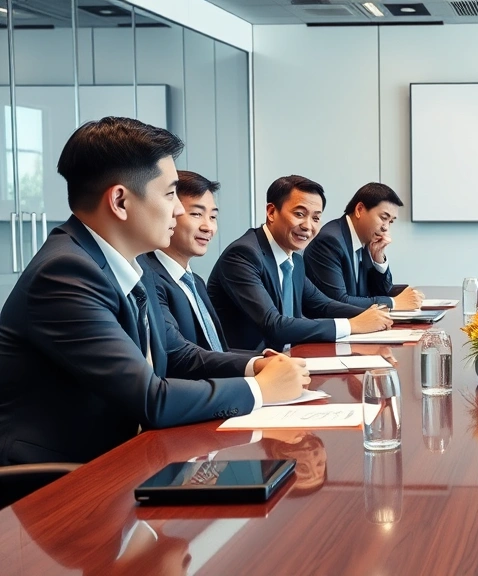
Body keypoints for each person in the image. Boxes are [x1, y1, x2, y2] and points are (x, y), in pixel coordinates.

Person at [0, 117, 308, 465]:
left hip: (129, 457)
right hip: (60, 481)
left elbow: (178, 355)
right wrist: (261, 390)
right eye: (169, 193)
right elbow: (151, 398)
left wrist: (258, 366)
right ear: (119, 201)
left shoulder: (133, 263)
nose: (178, 209)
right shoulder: (64, 274)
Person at [207, 175, 393, 351]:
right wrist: (352, 325)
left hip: (289, 359)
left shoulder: (294, 258)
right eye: (299, 214)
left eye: (316, 218)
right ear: (271, 212)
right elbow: (274, 324)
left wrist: (375, 315)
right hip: (249, 366)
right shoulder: (243, 255)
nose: (308, 226)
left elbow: (323, 305)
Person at [142, 170, 232, 351]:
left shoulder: (195, 282)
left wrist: (265, 360)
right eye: (196, 214)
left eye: (213, 217)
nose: (208, 227)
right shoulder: (149, 280)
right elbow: (179, 356)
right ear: (170, 213)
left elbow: (218, 351)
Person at [304, 182, 423, 310]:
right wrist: (393, 303)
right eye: (383, 218)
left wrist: (379, 259)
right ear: (359, 210)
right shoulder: (330, 241)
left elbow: (381, 291)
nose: (386, 227)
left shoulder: (366, 238)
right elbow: (338, 302)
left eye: (391, 221)